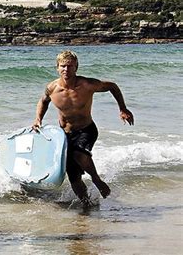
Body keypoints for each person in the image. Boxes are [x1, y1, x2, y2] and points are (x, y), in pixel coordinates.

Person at [33, 50, 134, 207]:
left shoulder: (87, 84)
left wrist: (123, 109)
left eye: (70, 66)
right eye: (63, 66)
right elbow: (43, 101)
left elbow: (112, 86)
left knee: (78, 154)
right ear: (57, 68)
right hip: (64, 134)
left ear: (76, 67)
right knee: (73, 174)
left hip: (87, 129)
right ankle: (86, 204)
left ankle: (96, 179)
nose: (66, 70)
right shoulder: (52, 88)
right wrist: (38, 119)